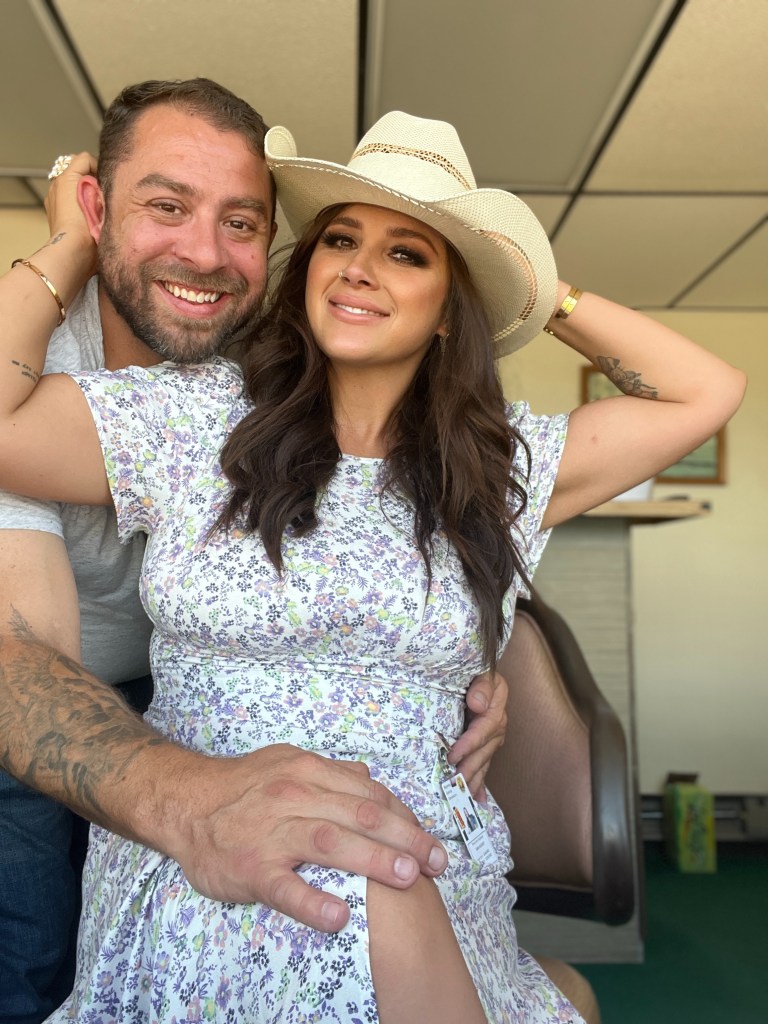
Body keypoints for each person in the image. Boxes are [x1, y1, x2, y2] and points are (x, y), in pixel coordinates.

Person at [0, 110, 745, 1021]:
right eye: (341, 239)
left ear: (448, 308)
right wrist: (75, 244)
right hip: (216, 844)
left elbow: (708, 390)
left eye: (409, 254)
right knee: (369, 891)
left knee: (394, 881)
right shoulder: (196, 419)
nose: (358, 265)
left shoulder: (499, 471)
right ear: (307, 269)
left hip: (427, 847)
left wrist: (531, 289)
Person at [0, 82, 506, 1022]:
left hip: (200, 697)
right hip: (46, 706)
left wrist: (463, 665)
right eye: (164, 207)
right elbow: (19, 651)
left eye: (241, 222)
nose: (203, 252)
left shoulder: (276, 372)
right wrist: (179, 799)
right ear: (98, 206)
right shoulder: (30, 369)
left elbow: (399, 542)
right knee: (31, 966)